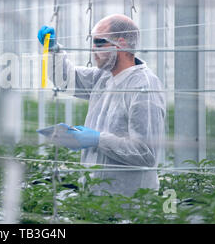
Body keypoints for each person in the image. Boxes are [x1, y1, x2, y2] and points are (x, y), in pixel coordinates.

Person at [37, 14, 166, 197]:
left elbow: (145, 153)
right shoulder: (103, 77)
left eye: (99, 42)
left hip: (128, 202)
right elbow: (64, 79)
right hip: (94, 195)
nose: (93, 50)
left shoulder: (143, 86)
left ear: (121, 43)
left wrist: (98, 139)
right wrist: (52, 50)